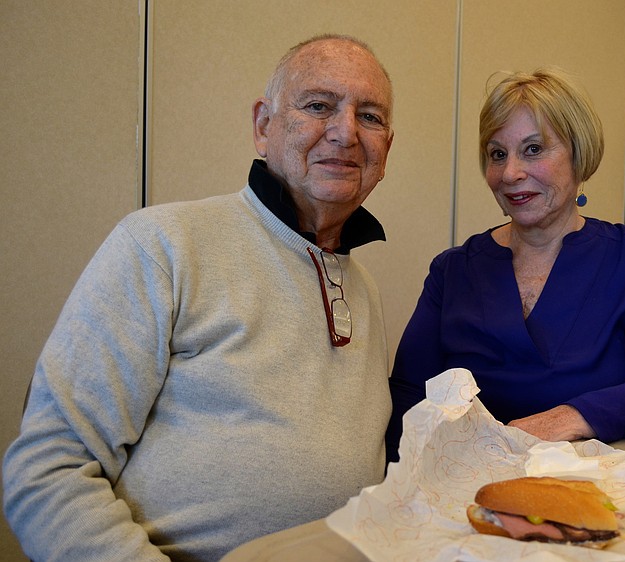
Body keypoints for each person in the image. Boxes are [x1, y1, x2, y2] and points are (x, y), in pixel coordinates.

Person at [3, 34, 394, 561]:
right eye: (318, 106)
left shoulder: (363, 287)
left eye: (369, 116)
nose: (345, 133)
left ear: (387, 145)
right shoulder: (162, 244)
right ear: (263, 126)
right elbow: (48, 466)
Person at [385, 68, 625, 463]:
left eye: (533, 149)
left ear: (579, 153)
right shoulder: (453, 272)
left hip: (594, 491)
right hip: (466, 491)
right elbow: (408, 401)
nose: (510, 173)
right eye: (497, 154)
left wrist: (572, 417)